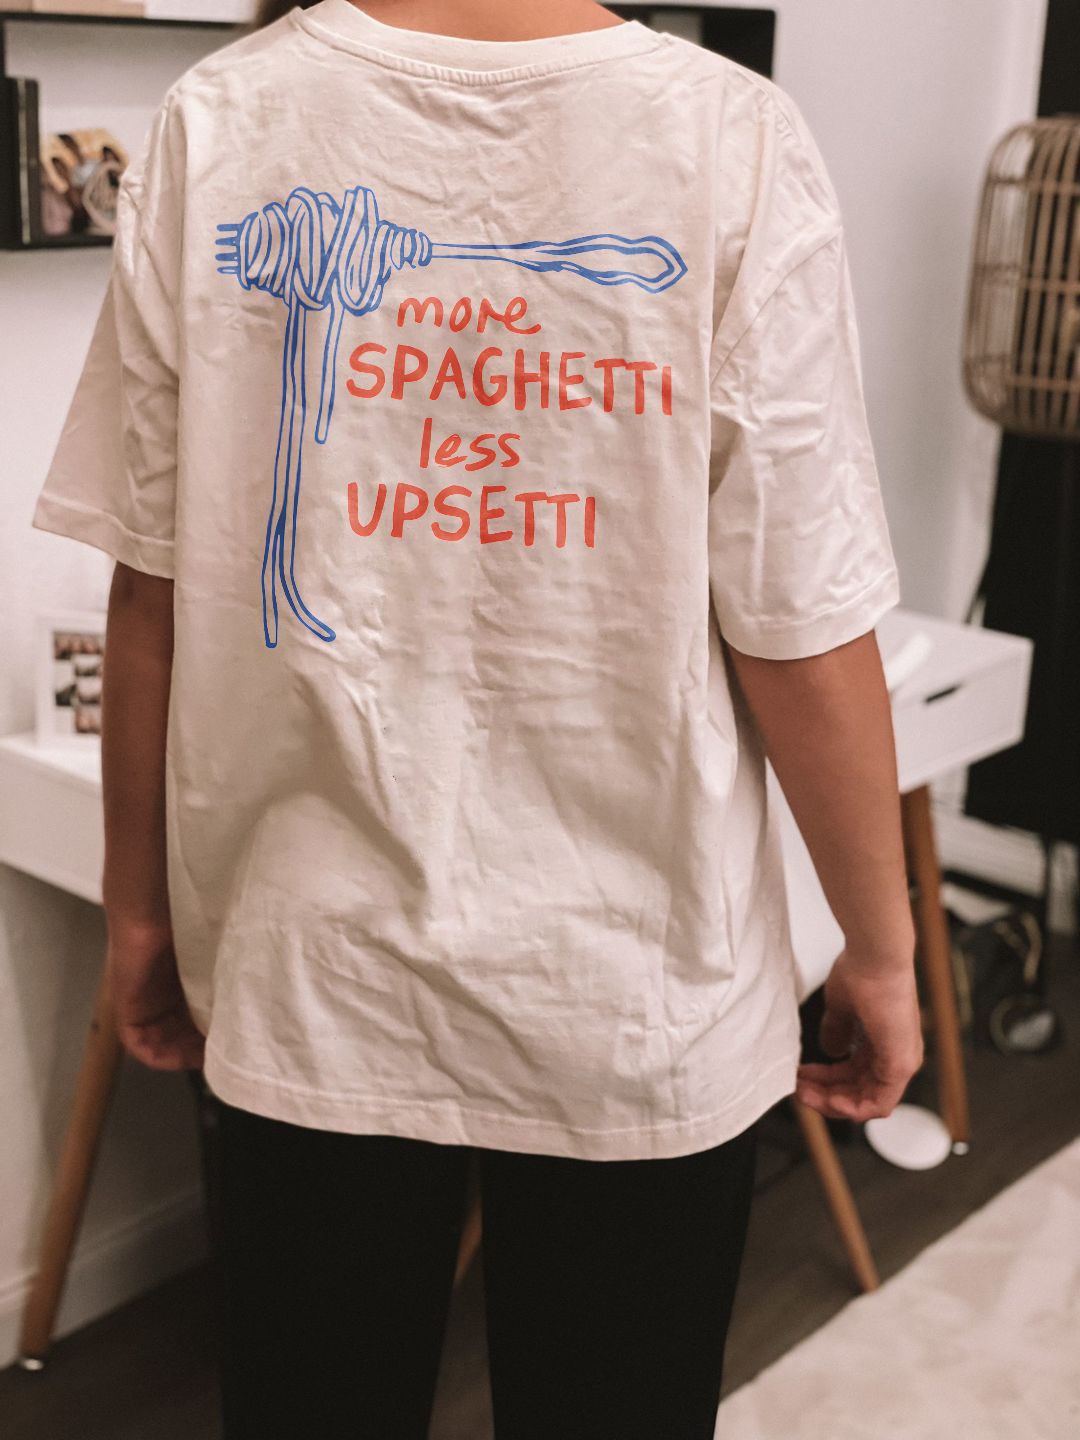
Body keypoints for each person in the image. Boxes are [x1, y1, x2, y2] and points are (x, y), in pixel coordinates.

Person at [30, 1, 923, 1435]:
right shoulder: (731, 139)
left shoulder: (225, 117)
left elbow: (153, 585)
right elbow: (800, 624)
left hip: (311, 968)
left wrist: (141, 914)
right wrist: (882, 949)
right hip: (633, 979)